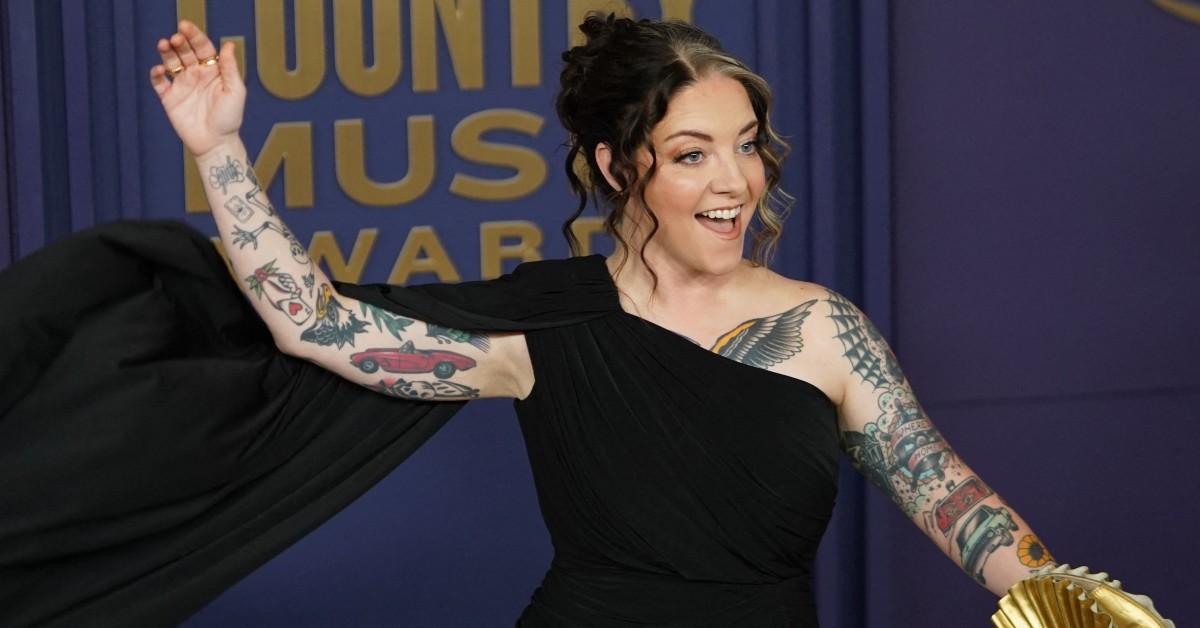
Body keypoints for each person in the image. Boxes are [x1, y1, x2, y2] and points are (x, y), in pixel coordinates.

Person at [1, 14, 1054, 628]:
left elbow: (951, 498)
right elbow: (316, 325)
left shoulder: (826, 328)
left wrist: (1073, 609)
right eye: (693, 152)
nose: (736, 178)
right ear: (616, 165)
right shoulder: (544, 328)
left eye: (747, 142)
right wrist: (219, 149)